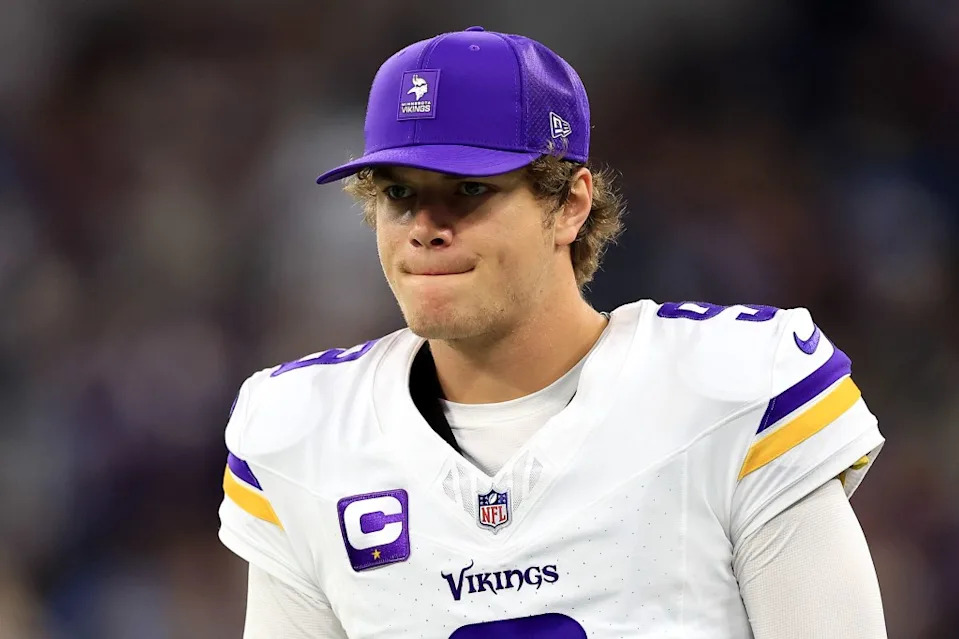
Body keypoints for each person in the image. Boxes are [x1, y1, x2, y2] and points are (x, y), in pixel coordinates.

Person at [218, 27, 887, 638]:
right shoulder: (302, 432)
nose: (425, 226)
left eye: (469, 191)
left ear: (570, 203)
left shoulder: (735, 391)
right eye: (398, 194)